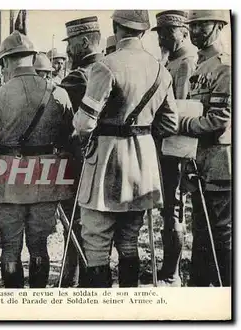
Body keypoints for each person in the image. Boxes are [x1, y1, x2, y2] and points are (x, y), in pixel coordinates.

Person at [72, 10, 179, 288]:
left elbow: (84, 123)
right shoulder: (161, 70)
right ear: (144, 32)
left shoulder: (106, 66)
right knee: (130, 238)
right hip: (143, 162)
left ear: (116, 27)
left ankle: (100, 311)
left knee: (96, 238)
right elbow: (170, 123)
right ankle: (129, 310)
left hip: (107, 158)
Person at [0, 31, 75, 288]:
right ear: (33, 57)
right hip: (47, 177)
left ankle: (15, 309)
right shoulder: (59, 94)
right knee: (39, 246)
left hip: (8, 180)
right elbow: (70, 141)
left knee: (10, 248)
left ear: (5, 61)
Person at [182, 10, 231, 287]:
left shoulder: (225, 67)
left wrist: (183, 125)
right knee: (201, 230)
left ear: (219, 26)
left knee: (223, 232)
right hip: (200, 160)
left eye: (202, 25)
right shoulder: (201, 66)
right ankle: (200, 290)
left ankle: (226, 293)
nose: (196, 31)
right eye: (193, 26)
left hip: (221, 161)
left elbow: (220, 118)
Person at [151, 10, 198, 287]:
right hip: (167, 143)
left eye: (167, 32)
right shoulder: (172, 60)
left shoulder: (185, 63)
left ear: (183, 32)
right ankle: (168, 269)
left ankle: (172, 273)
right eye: (160, 33)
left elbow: (177, 109)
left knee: (174, 209)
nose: (162, 38)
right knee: (168, 209)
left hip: (177, 146)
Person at [57, 16, 104, 288]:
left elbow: (59, 120)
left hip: (78, 161)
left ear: (85, 42)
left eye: (72, 44)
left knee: (74, 222)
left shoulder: (78, 77)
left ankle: (71, 279)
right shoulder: (109, 68)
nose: (68, 51)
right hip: (105, 159)